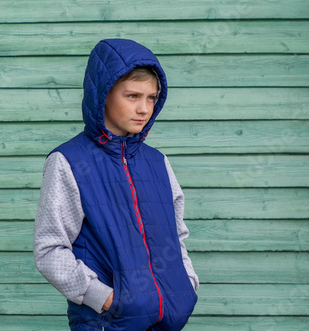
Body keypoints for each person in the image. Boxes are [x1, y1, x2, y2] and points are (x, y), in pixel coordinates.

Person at [33, 39, 198, 331]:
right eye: (132, 96)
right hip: (106, 323)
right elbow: (49, 250)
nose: (144, 108)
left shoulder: (158, 162)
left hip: (166, 322)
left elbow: (177, 237)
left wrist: (186, 288)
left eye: (151, 97)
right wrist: (108, 299)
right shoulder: (68, 161)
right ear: (103, 94)